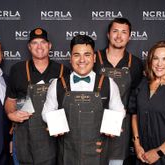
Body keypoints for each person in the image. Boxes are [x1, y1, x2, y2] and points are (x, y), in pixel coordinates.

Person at [42, 34, 126, 165]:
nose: (82, 60)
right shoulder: (57, 84)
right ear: (70, 58)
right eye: (77, 55)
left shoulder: (108, 83)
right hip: (67, 154)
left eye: (87, 55)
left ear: (94, 58)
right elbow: (46, 112)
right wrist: (54, 123)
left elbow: (119, 111)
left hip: (98, 154)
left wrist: (113, 125)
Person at [5, 27, 69, 165]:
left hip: (52, 136)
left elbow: (68, 105)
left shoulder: (63, 71)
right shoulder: (17, 69)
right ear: (29, 46)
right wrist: (11, 114)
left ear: (49, 45)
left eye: (43, 42)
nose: (39, 46)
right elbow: (10, 101)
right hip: (24, 134)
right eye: (34, 43)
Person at [94, 17, 144, 165]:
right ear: (108, 34)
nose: (119, 36)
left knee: (116, 161)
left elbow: (136, 98)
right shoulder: (93, 59)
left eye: (124, 32)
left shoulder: (136, 64)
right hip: (93, 121)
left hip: (122, 126)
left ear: (129, 37)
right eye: (115, 31)